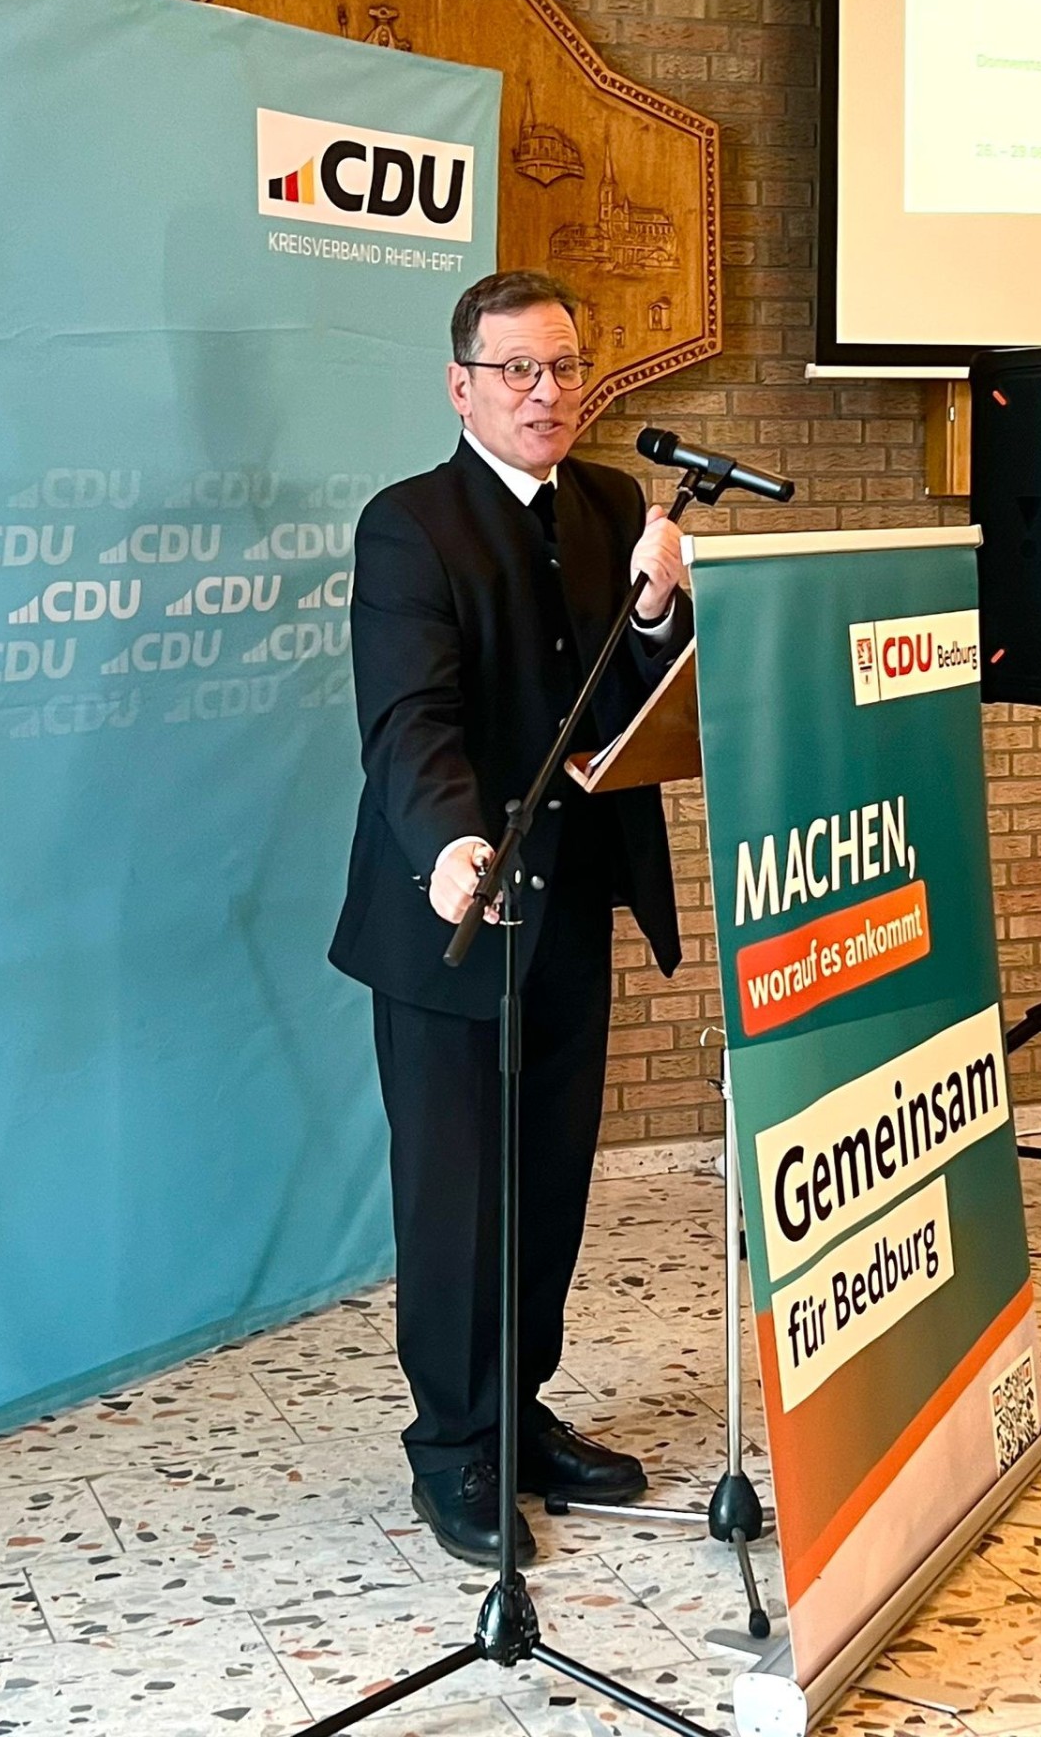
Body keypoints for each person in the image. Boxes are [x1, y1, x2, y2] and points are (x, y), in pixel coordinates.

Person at [330, 268, 691, 1566]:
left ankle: (518, 1415)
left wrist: (655, 611)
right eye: (518, 371)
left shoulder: (611, 506)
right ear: (462, 385)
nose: (547, 393)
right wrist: (451, 840)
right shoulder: (409, 526)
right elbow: (407, 720)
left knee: (547, 1183)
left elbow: (639, 696)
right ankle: (453, 1449)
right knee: (455, 1197)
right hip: (451, 916)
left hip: (575, 904)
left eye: (566, 368)